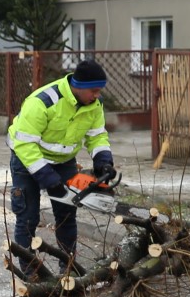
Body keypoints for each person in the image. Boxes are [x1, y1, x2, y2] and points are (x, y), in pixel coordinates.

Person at [7, 59, 114, 275]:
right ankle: (30, 272)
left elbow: (97, 135)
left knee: (66, 214)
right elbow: (25, 144)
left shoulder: (94, 105)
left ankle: (68, 267)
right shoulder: (42, 102)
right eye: (94, 91)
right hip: (27, 159)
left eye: (99, 91)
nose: (97, 95)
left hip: (64, 160)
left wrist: (103, 161)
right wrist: (47, 178)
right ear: (79, 87)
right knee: (28, 216)